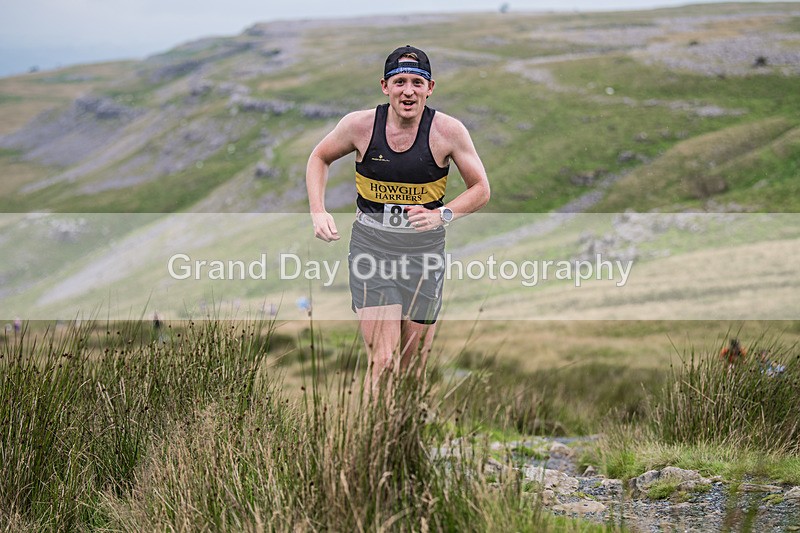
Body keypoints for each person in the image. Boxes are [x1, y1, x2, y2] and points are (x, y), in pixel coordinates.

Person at [306, 45, 490, 394]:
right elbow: (319, 157)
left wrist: (442, 215)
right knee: (384, 361)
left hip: (424, 255)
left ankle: (405, 445)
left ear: (430, 87)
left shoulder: (448, 132)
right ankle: (376, 446)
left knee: (413, 370)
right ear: (384, 86)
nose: (408, 91)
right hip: (371, 251)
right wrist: (319, 210)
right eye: (400, 81)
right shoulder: (359, 126)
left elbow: (481, 188)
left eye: (417, 82)